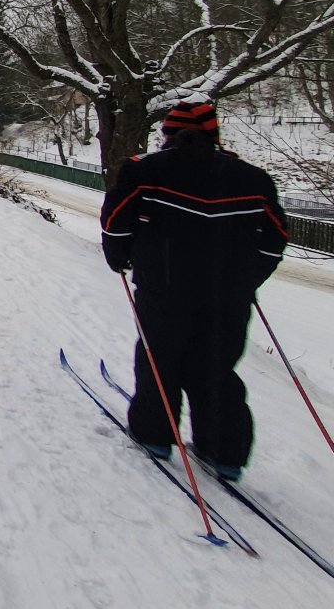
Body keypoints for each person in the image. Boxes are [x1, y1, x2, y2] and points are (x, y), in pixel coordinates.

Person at [100, 99, 289, 481]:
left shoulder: (145, 170)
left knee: (160, 358)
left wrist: (119, 257)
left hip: (163, 287)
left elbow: (116, 221)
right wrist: (249, 277)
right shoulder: (253, 179)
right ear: (214, 135)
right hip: (228, 294)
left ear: (169, 133)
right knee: (216, 366)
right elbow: (275, 239)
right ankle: (224, 453)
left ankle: (154, 435)